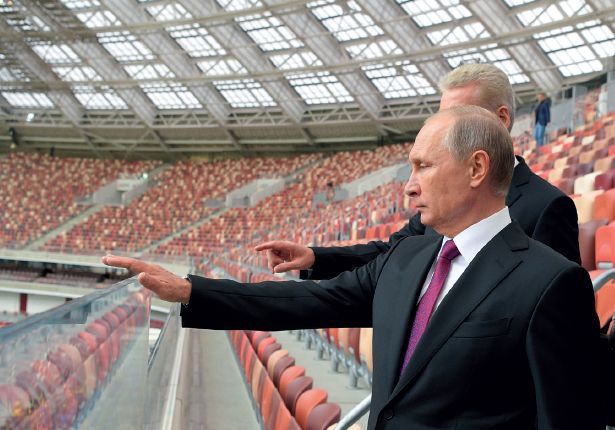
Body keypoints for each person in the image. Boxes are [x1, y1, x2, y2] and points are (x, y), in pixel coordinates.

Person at [103, 107, 602, 430]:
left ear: (476, 169)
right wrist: (191, 291)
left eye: (424, 166)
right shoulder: (407, 258)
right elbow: (307, 300)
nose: (408, 185)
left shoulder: (551, 283)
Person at [255, 64, 580, 279]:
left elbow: (558, 322)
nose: (444, 128)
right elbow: (392, 253)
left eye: (459, 116)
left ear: (502, 119)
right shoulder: (440, 201)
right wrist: (315, 258)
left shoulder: (547, 207)